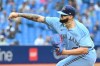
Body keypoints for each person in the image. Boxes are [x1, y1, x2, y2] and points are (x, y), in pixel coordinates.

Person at [8, 5, 96, 66]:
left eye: (64, 15)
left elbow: (85, 50)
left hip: (86, 56)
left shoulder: (80, 29)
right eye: (61, 14)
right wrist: (19, 14)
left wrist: (64, 52)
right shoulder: (57, 22)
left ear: (71, 17)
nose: (61, 16)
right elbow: (38, 18)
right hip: (76, 55)